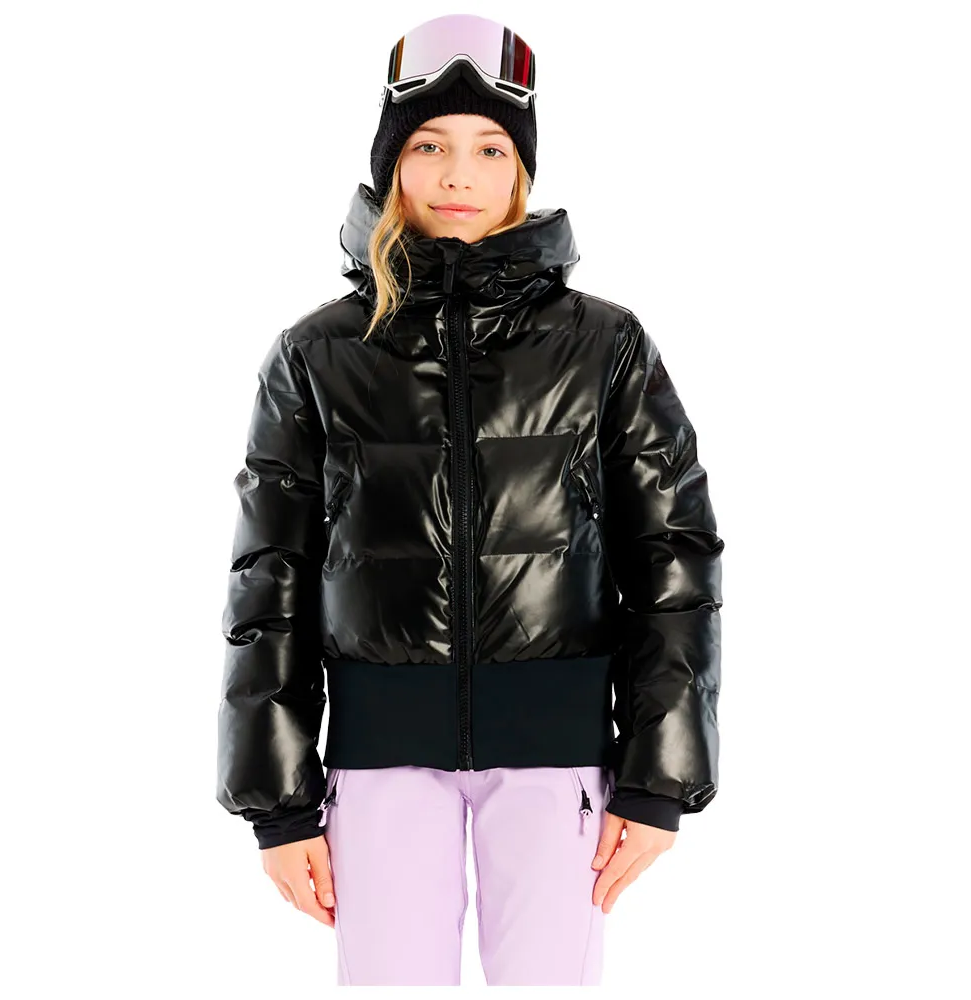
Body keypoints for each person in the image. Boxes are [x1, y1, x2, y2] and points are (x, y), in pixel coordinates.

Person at [215, 13, 724, 987]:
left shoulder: (603, 345)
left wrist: (660, 778)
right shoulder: (317, 354)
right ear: (391, 163)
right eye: (429, 146)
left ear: (520, 169)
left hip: (558, 762)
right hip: (378, 764)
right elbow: (268, 578)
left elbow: (672, 556)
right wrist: (276, 806)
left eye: (490, 148)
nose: (459, 175)